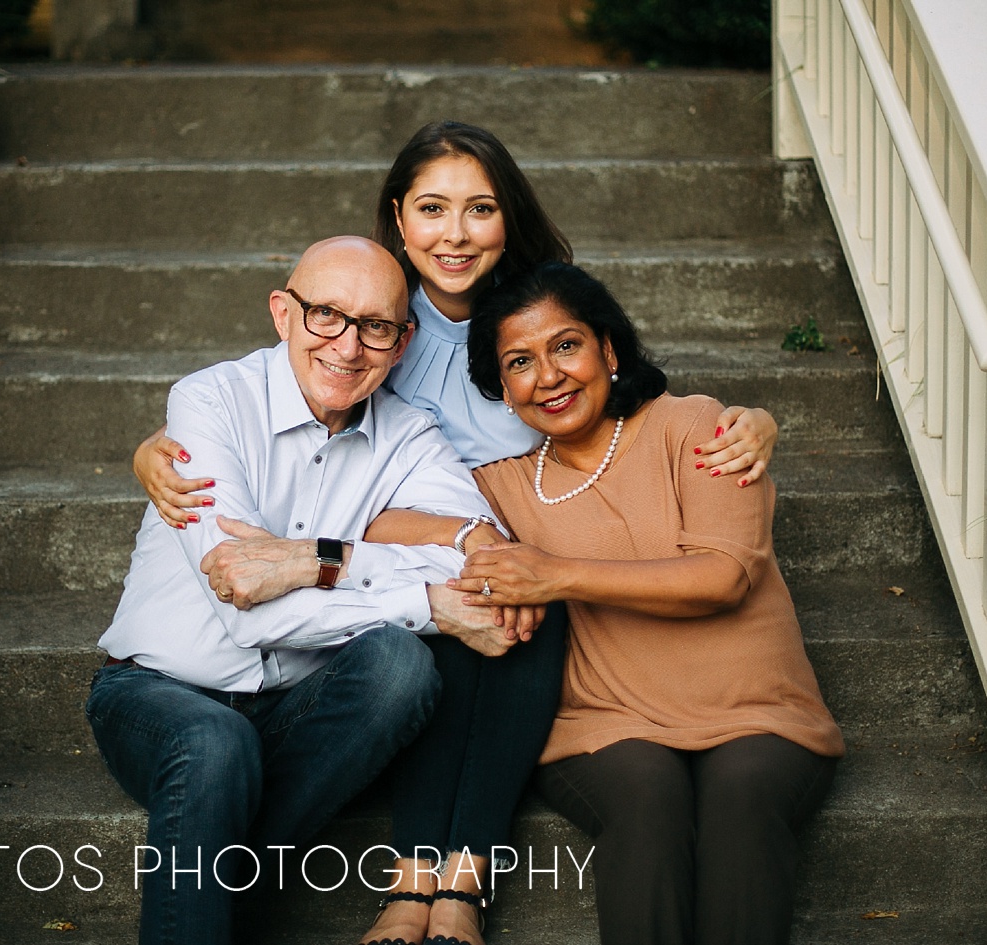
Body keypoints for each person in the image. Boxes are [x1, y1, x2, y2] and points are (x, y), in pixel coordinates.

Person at [131, 121, 786, 945]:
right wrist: (151, 450)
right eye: (434, 209)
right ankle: (409, 886)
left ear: (507, 217)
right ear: (399, 218)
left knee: (514, 590)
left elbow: (624, 398)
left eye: (480, 208)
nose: (456, 233)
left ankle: (460, 889)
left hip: (517, 558)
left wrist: (752, 421)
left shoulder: (532, 308)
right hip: (408, 558)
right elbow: (286, 387)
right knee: (454, 611)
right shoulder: (373, 323)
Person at [88, 236, 526, 945]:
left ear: (403, 342)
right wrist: (421, 599)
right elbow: (242, 598)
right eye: (326, 314)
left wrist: (325, 559)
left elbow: (481, 562)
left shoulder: (409, 436)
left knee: (399, 667)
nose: (348, 347)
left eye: (375, 327)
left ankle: (205, 878)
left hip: (297, 708)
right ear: (282, 313)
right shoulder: (209, 401)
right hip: (158, 693)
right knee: (215, 743)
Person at [444, 260, 842, 944]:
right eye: (520, 361)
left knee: (743, 795)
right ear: (501, 390)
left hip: (759, 711)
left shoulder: (696, 426)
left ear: (608, 348)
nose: (549, 375)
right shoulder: (500, 484)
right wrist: (467, 529)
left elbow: (721, 576)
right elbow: (378, 511)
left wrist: (555, 574)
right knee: (646, 795)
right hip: (605, 722)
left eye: (565, 345)